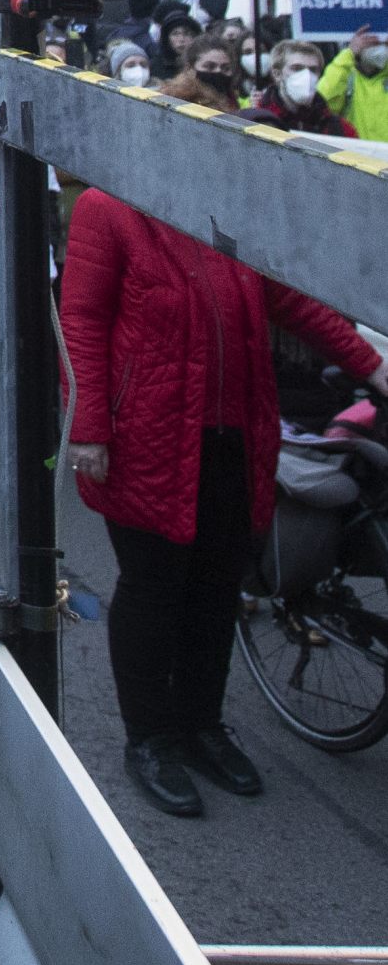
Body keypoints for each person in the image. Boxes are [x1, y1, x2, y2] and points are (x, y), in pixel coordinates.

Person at [62, 188, 388, 817]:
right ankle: (150, 741)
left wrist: (372, 366)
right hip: (147, 437)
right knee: (153, 589)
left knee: (216, 590)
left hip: (236, 437)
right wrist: (89, 428)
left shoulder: (225, 202)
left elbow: (291, 301)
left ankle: (201, 727)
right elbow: (81, 320)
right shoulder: (108, 206)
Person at [244, 38, 354, 137]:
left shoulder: (340, 129)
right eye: (297, 68)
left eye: (313, 70)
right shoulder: (255, 122)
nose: (306, 76)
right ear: (277, 74)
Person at [316, 25, 388, 138]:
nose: (378, 47)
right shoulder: (346, 75)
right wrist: (349, 54)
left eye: (382, 43)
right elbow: (322, 102)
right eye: (369, 42)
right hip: (353, 148)